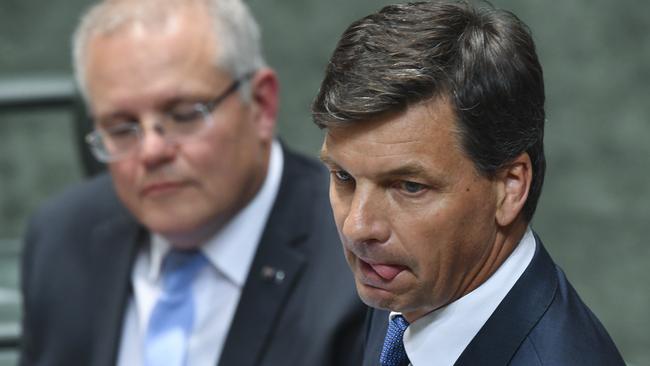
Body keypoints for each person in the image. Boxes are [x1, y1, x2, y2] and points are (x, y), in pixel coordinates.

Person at [20, 0, 365, 365]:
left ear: (261, 104)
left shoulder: (357, 257)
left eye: (184, 115)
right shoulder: (61, 238)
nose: (151, 151)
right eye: (121, 128)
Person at [311, 1, 625, 365]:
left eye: (409, 187)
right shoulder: (404, 285)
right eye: (344, 177)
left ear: (509, 187)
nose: (357, 227)